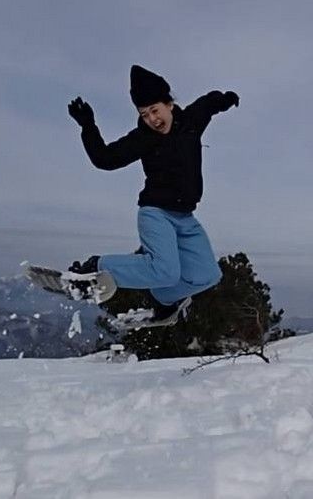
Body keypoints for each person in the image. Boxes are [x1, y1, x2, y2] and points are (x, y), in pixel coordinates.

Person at [67, 65, 239, 320]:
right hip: (156, 213)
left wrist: (224, 99)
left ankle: (165, 299)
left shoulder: (190, 121)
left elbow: (208, 104)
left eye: (155, 111)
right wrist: (88, 125)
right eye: (144, 114)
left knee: (208, 275)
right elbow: (105, 159)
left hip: (185, 218)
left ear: (169, 103)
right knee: (164, 271)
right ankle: (96, 266)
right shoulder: (143, 138)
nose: (151, 120)